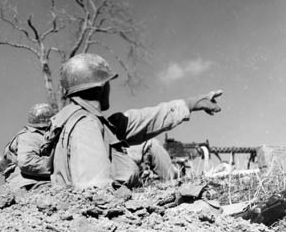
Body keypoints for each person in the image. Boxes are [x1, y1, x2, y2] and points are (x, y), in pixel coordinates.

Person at [46, 53, 222, 189]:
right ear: (101, 87)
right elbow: (96, 194)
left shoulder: (93, 121)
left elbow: (145, 119)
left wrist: (192, 103)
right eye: (108, 83)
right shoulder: (86, 126)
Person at [6, 103, 56, 190]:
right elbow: (26, 162)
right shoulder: (29, 136)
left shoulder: (38, 134)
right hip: (30, 183)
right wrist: (58, 167)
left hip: (36, 181)